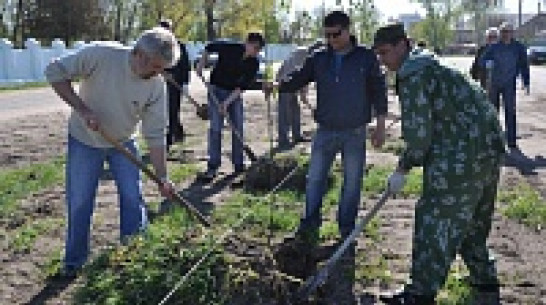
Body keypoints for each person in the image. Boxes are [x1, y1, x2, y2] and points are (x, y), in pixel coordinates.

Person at [373, 24, 505, 305]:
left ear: (402, 45)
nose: (382, 60)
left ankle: (419, 294)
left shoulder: (413, 75)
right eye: (378, 54)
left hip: (456, 160)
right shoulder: (432, 65)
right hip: (489, 151)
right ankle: (485, 283)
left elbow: (419, 137)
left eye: (385, 53)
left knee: (433, 222)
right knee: (472, 224)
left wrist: (402, 168)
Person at [45, 27, 177, 276]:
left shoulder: (156, 86)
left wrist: (163, 177)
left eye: (162, 69)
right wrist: (83, 110)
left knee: (132, 198)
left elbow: (156, 133)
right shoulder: (101, 55)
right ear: (140, 55)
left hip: (123, 142)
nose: (158, 74)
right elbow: (54, 71)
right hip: (85, 140)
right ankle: (73, 263)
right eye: (156, 67)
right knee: (80, 201)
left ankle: (133, 256)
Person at [265, 11, 387, 241]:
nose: (331, 40)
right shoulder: (318, 58)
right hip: (325, 129)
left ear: (348, 30)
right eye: (328, 35)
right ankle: (310, 222)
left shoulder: (366, 58)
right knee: (315, 178)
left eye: (336, 34)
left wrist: (380, 126)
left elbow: (379, 92)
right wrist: (277, 85)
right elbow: (300, 78)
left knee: (352, 182)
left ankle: (346, 227)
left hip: (355, 131)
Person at [196, 33, 265, 182]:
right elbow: (209, 47)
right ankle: (213, 166)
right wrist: (201, 65)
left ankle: (238, 164)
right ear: (247, 43)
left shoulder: (254, 63)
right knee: (216, 128)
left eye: (259, 49)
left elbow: (241, 87)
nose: (256, 52)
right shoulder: (230, 47)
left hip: (234, 94)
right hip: (216, 89)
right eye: (255, 48)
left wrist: (226, 103)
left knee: (238, 127)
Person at [481, 22, 530, 148]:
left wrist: (526, 82)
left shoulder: (518, 47)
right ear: (500, 33)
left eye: (508, 31)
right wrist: (487, 63)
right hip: (494, 83)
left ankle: (511, 140)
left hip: (509, 83)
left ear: (512, 33)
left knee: (510, 111)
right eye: (503, 32)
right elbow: (482, 60)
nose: (506, 34)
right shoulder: (494, 47)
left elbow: (524, 65)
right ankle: (493, 139)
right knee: (493, 111)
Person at [158, 19, 191, 152]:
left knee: (173, 111)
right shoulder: (155, 47)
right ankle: (173, 133)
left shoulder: (179, 46)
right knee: (160, 112)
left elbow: (185, 66)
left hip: (174, 85)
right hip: (158, 84)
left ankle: (169, 139)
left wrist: (183, 83)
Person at [275, 46, 309, 149]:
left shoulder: (303, 52)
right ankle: (283, 140)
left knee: (295, 111)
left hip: (292, 83)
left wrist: (302, 92)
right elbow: (304, 75)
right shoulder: (307, 55)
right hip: (284, 83)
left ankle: (297, 136)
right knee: (285, 114)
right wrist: (303, 94)